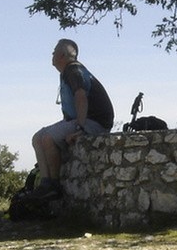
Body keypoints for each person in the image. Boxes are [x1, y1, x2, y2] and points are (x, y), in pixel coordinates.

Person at [28, 39, 114, 201]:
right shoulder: (68, 72)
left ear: (62, 55)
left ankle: (53, 186)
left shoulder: (73, 71)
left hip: (94, 122)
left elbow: (81, 97)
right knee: (37, 138)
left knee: (47, 139)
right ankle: (45, 183)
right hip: (83, 119)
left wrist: (79, 129)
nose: (51, 55)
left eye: (54, 52)